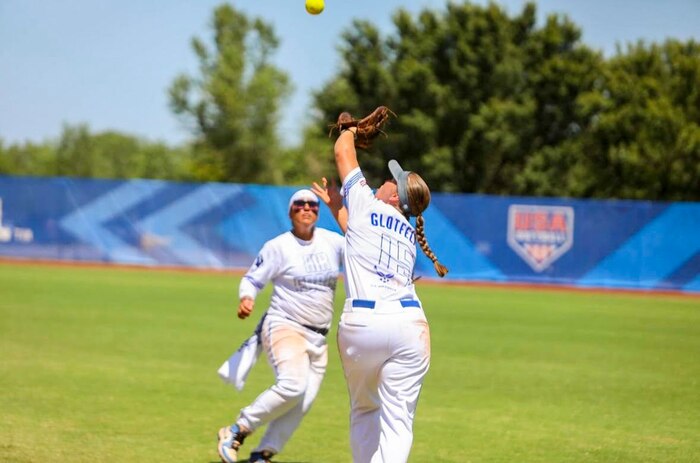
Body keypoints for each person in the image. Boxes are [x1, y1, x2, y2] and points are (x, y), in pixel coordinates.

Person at [330, 112, 448, 463]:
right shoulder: (410, 236)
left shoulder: (366, 204)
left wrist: (348, 129)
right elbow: (355, 235)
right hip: (411, 328)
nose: (383, 182)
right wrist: (336, 205)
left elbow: (341, 152)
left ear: (394, 197)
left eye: (390, 182)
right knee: (398, 423)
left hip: (363, 326)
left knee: (366, 409)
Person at [216, 188, 345, 463]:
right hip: (286, 326)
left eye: (312, 204)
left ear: (318, 211)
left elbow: (361, 254)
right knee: (292, 386)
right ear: (290, 211)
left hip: (319, 338)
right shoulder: (278, 246)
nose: (307, 208)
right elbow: (252, 279)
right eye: (299, 204)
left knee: (302, 403)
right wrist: (247, 298)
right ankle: (237, 430)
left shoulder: (333, 242)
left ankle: (262, 454)